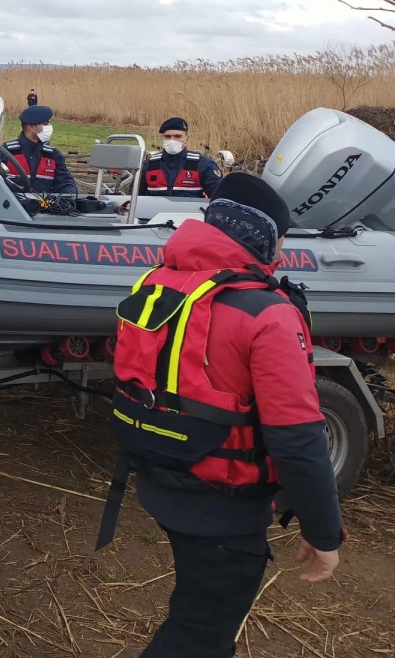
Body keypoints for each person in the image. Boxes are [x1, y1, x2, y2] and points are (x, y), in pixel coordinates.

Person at [97, 173, 343, 657]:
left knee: (198, 616)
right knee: (199, 636)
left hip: (161, 478)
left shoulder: (158, 279)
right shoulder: (268, 312)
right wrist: (323, 532)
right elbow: (297, 437)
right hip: (220, 507)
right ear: (265, 238)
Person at [2, 105, 77, 213]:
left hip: (45, 214)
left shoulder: (54, 155)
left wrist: (69, 197)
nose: (50, 127)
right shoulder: (6, 152)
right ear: (30, 127)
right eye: (45, 124)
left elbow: (65, 183)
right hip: (10, 212)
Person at [140, 116, 222, 198]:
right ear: (163, 139)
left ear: (187, 139)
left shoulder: (203, 164)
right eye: (168, 137)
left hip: (190, 210)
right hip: (155, 210)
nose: (172, 140)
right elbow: (135, 198)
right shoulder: (149, 164)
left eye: (178, 136)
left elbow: (219, 197)